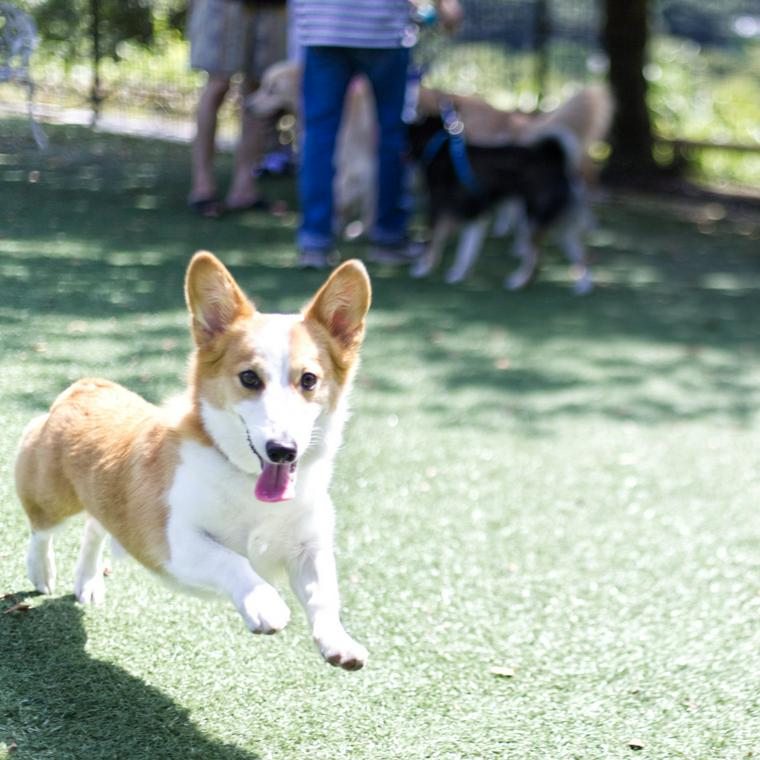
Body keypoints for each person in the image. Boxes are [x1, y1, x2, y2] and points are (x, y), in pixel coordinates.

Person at [292, 0, 462, 267]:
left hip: (323, 28)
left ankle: (314, 241)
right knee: (391, 135)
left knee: (318, 136)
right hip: (382, 30)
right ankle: (389, 236)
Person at [187, 0, 287, 217]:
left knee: (259, 87)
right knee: (218, 83)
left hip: (273, 7)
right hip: (224, 6)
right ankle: (202, 186)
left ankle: (245, 188)